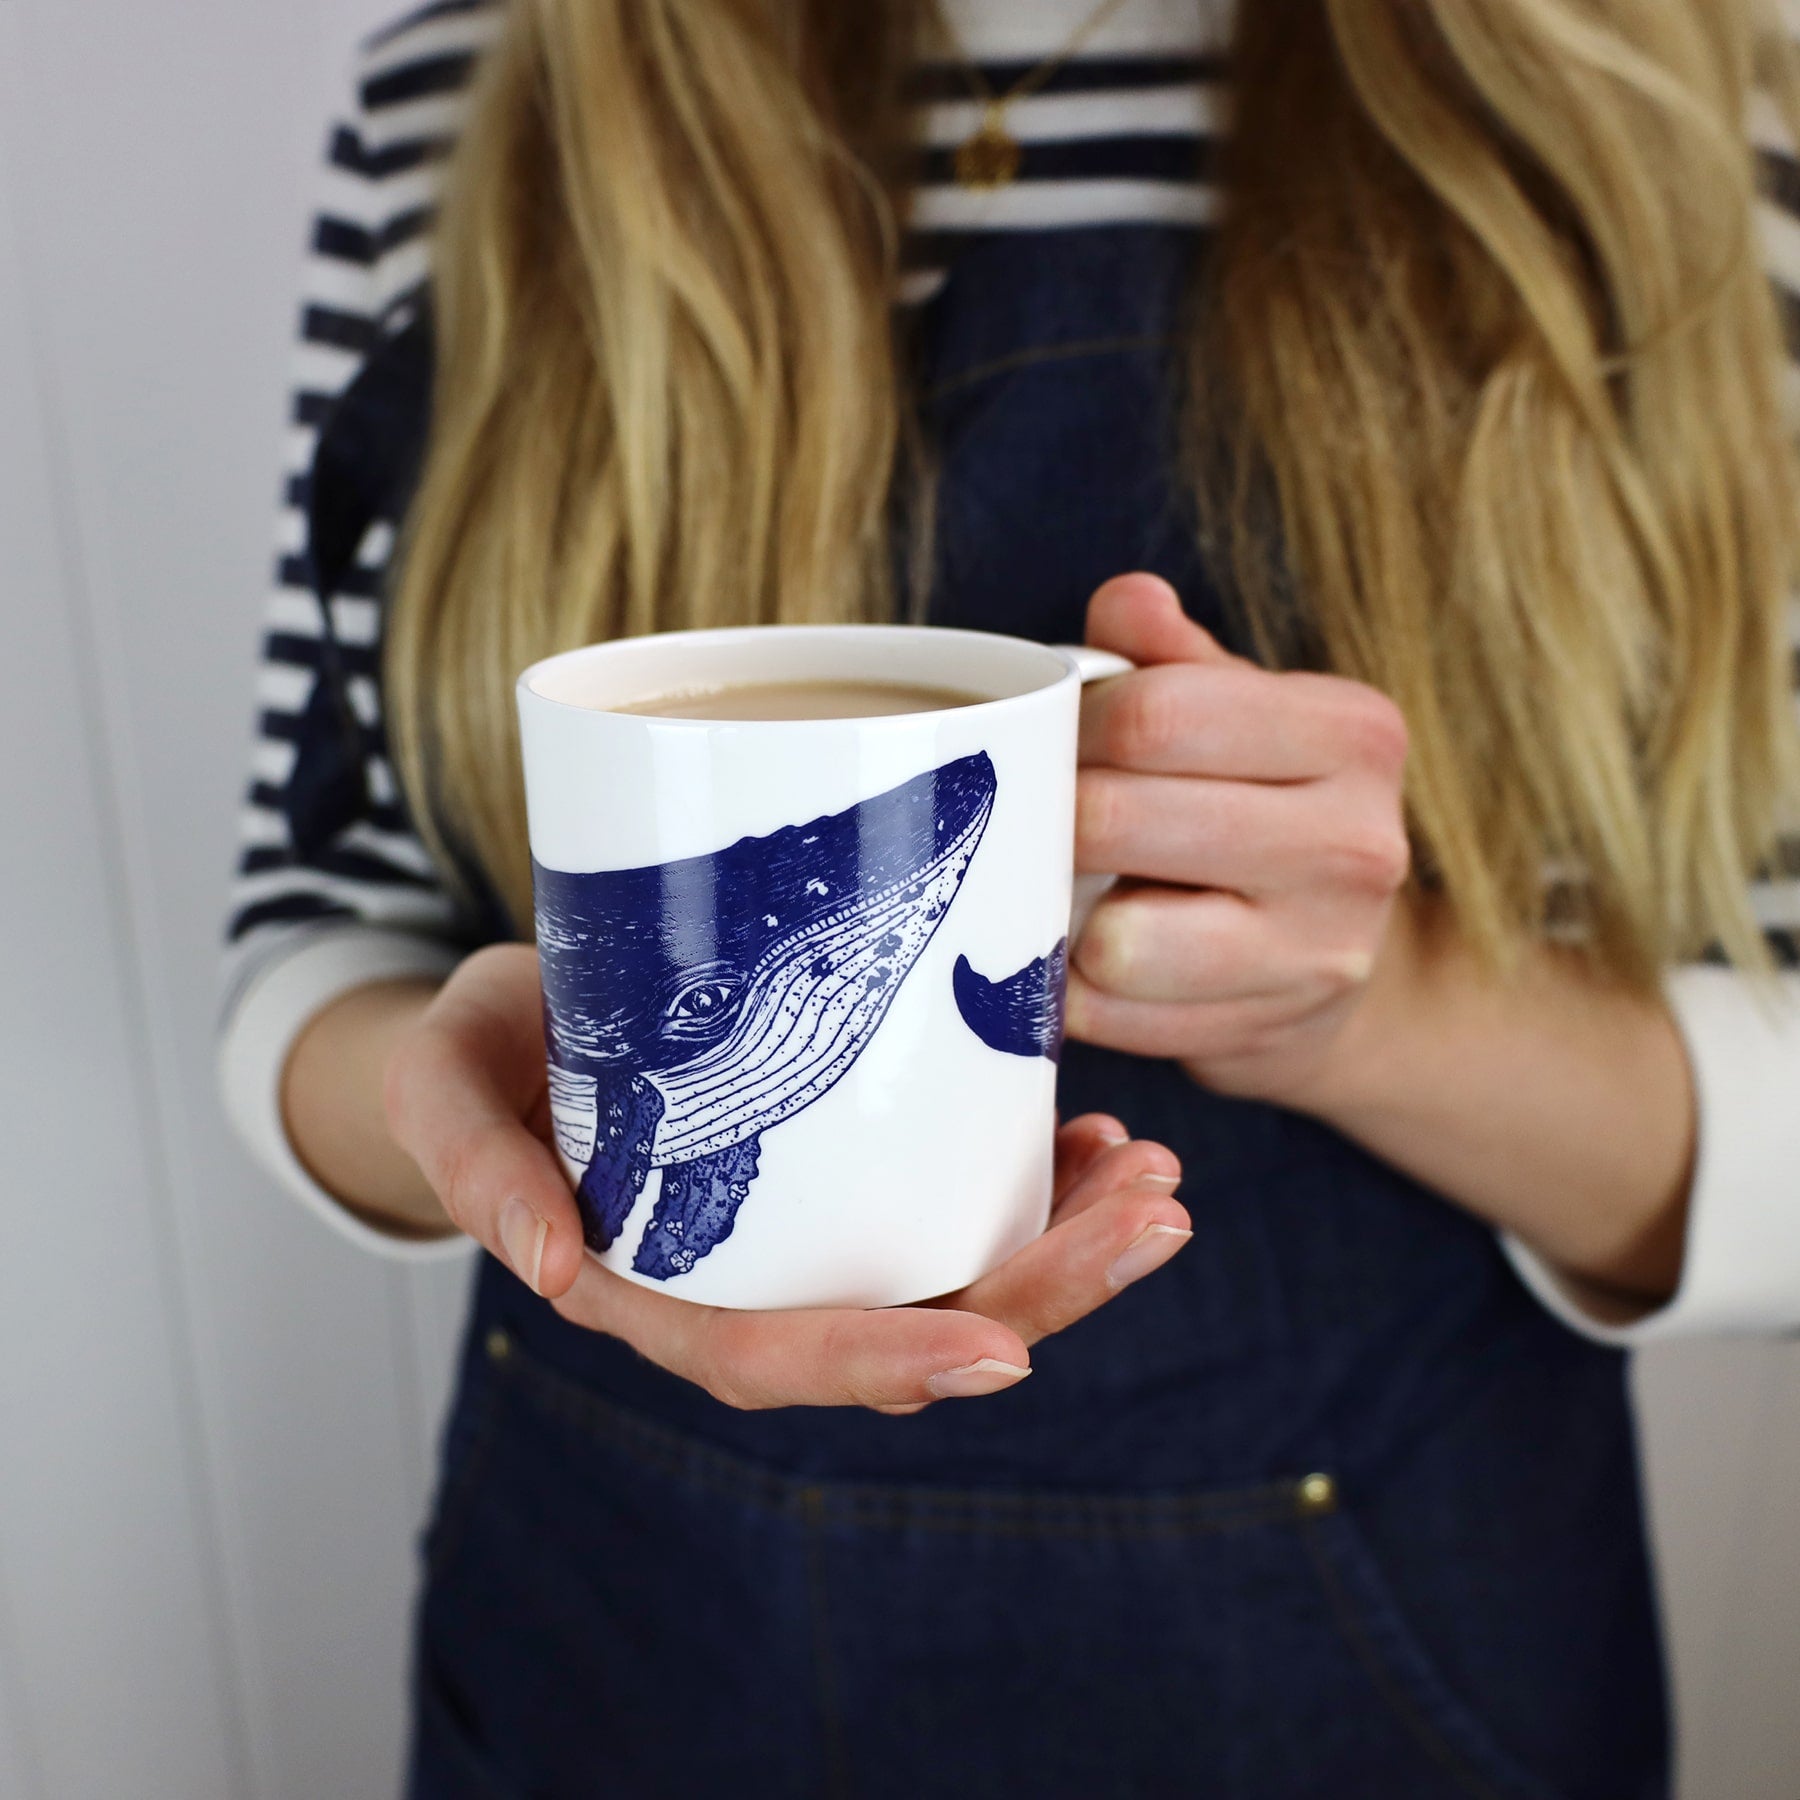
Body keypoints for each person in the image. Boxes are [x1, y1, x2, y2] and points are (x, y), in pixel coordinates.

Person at [220, 1, 1800, 1793]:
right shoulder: (481, 83)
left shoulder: (1671, 103)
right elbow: (318, 922)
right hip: (615, 1631)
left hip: (1378, 1651)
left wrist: (1369, 1006)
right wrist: (446, 1111)